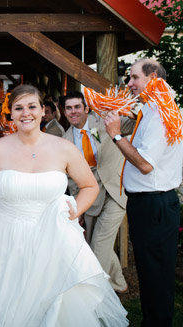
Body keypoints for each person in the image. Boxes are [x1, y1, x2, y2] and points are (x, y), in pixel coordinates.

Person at [0, 84, 128, 326]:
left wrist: (72, 211)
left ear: (43, 110)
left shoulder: (64, 147)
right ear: (10, 113)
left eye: (32, 106)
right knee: (11, 300)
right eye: (18, 108)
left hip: (54, 236)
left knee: (52, 301)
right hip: (6, 236)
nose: (26, 113)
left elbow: (90, 187)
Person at [104, 59, 183, 327]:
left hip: (155, 205)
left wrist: (116, 136)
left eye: (134, 77)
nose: (129, 83)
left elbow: (146, 165)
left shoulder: (161, 113)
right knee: (150, 273)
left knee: (156, 274)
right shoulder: (151, 109)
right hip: (147, 204)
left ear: (153, 77)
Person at [62, 91, 135, 293]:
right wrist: (79, 207)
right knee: (98, 241)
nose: (73, 111)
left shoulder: (104, 121)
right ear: (65, 112)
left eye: (77, 107)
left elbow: (133, 123)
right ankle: (119, 283)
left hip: (116, 191)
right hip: (93, 197)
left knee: (98, 246)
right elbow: (72, 178)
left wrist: (127, 107)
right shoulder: (66, 140)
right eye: (69, 108)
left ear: (87, 109)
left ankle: (93, 294)